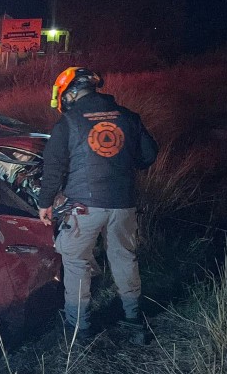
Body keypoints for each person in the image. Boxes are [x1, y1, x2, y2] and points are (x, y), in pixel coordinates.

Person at [37, 67, 158, 342]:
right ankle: (133, 319)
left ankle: (79, 327)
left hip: (84, 208)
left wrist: (45, 203)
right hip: (123, 204)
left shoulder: (68, 122)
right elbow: (149, 155)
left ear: (69, 93)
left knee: (76, 261)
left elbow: (53, 168)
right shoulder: (128, 116)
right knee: (125, 258)